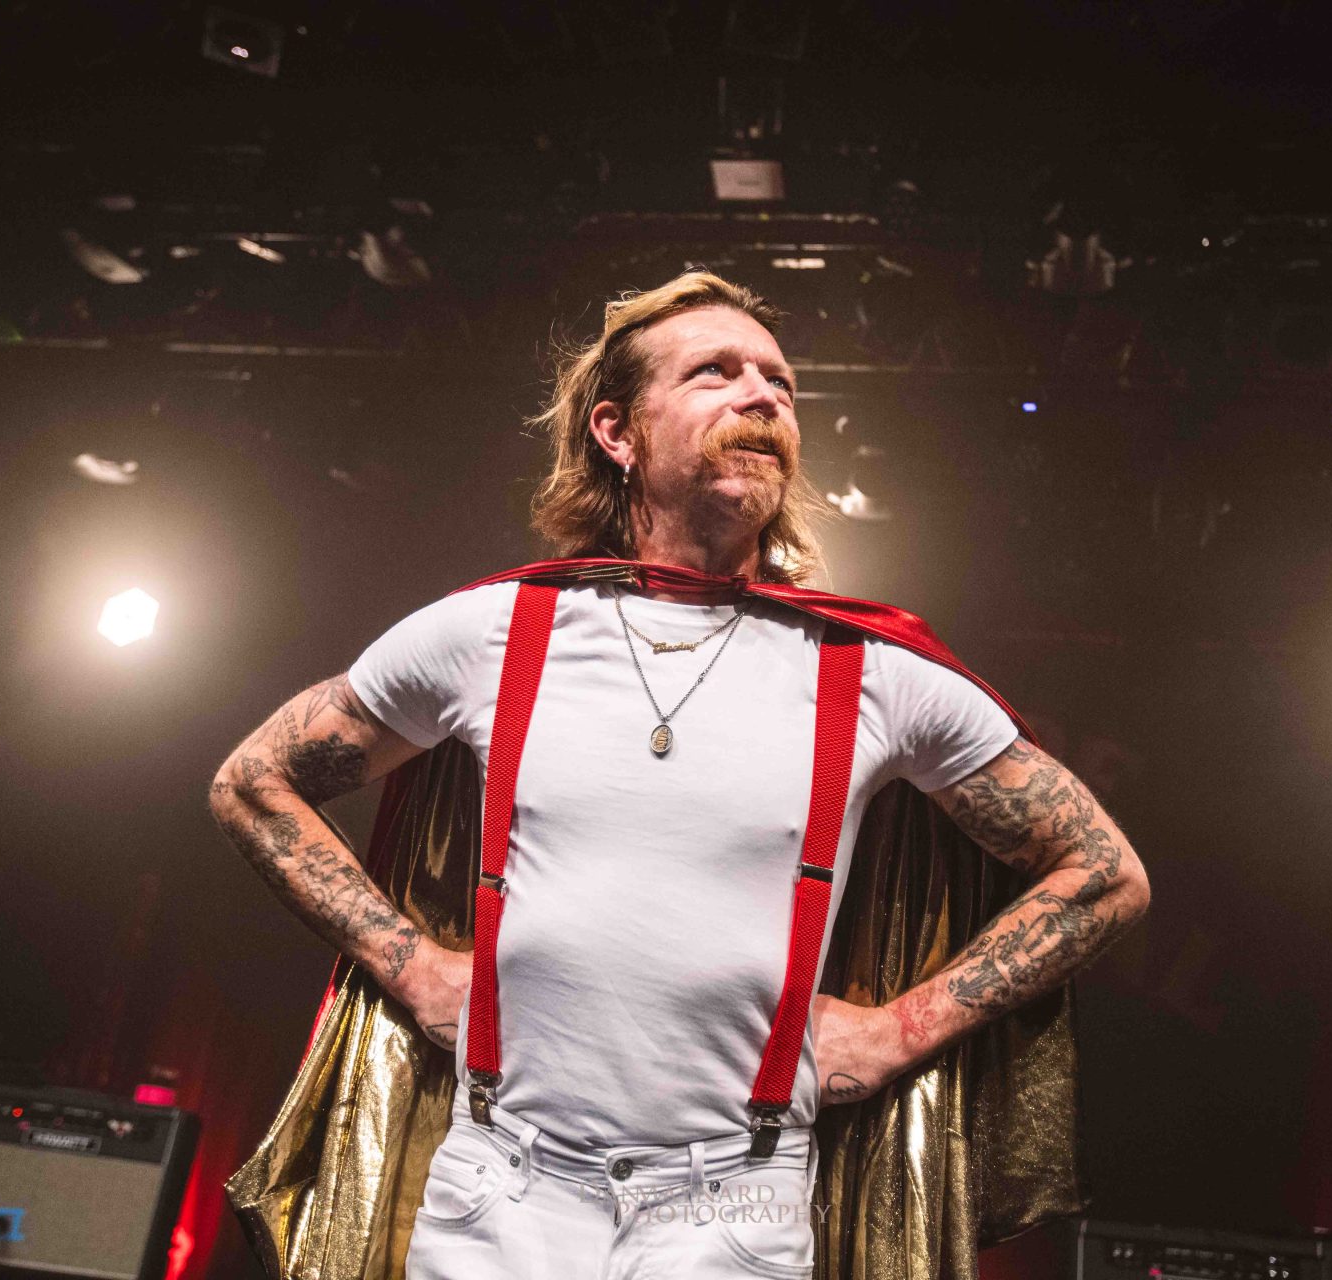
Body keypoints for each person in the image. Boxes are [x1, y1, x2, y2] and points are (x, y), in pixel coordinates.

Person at [208, 271, 1151, 1277]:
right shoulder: (497, 630)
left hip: (734, 1211)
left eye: (781, 383)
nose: (763, 396)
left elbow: (1103, 873)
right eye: (716, 372)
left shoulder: (872, 668)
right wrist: (408, 963)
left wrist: (894, 1033)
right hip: (500, 1192)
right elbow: (252, 781)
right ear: (618, 432)